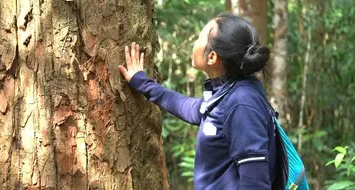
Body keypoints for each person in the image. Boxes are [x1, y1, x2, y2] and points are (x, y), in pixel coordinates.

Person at [119, 14, 288, 190]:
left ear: (212, 57)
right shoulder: (228, 92)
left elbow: (256, 185)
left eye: (200, 36)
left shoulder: (242, 103)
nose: (195, 40)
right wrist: (143, 83)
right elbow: (192, 109)